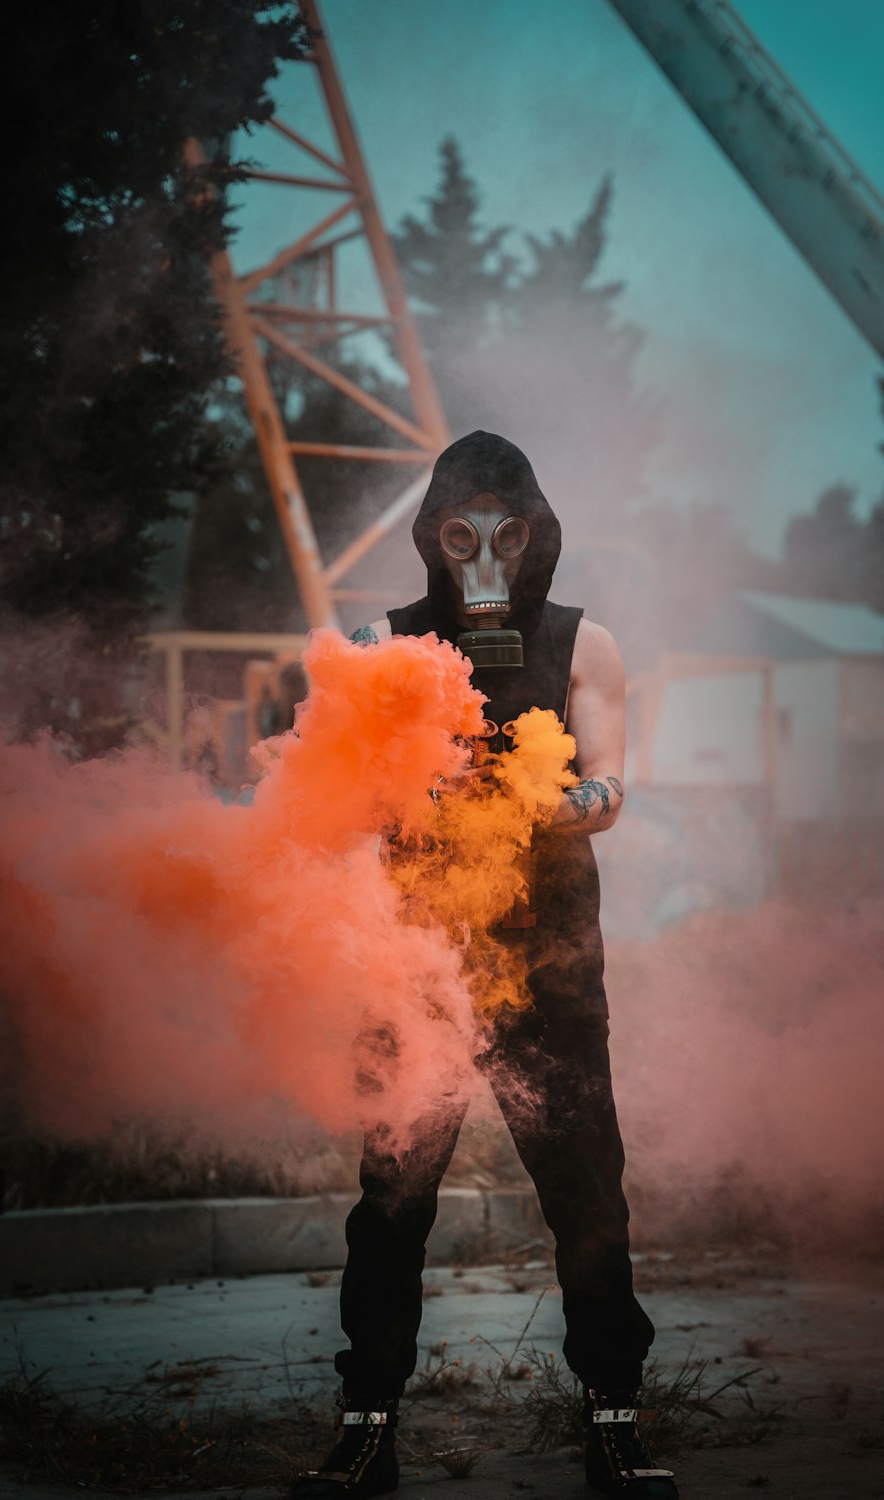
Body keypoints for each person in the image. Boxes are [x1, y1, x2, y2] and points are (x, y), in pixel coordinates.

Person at [294, 432, 678, 1499]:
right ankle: (365, 1428)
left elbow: (610, 784)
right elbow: (335, 802)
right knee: (389, 1210)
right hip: (419, 978)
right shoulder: (383, 647)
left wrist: (541, 809)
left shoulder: (581, 645)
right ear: (432, 537)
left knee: (589, 1200)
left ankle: (614, 1422)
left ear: (536, 537)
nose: (486, 566)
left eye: (507, 537)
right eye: (462, 537)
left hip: (552, 975)